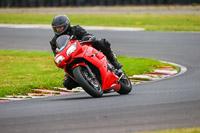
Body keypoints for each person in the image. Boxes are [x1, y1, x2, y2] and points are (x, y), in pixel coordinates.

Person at [50, 15, 123, 90]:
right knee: (67, 83)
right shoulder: (54, 41)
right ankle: (88, 82)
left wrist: (88, 38)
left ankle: (114, 61)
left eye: (60, 27)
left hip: (85, 50)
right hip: (71, 58)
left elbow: (87, 35)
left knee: (101, 42)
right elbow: (56, 54)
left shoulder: (76, 29)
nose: (58, 30)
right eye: (56, 28)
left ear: (66, 25)